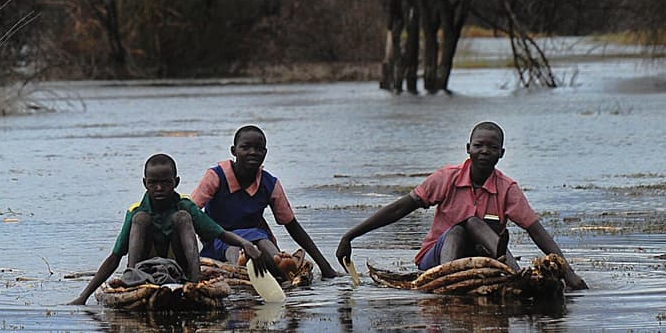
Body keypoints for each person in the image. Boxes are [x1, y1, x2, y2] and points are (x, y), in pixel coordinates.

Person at [335, 122, 587, 290]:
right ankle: (450, 278)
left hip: (482, 258)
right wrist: (351, 235)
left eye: (492, 147)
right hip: (436, 260)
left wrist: (568, 273)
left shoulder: (507, 188)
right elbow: (401, 208)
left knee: (476, 225)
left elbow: (537, 231)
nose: (485, 151)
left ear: (502, 153)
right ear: (468, 149)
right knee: (464, 226)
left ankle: (513, 274)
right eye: (479, 145)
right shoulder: (447, 178)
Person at [70, 153, 269, 305]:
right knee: (140, 219)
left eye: (165, 183)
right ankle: (133, 279)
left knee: (182, 217)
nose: (159, 188)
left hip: (178, 271)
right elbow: (115, 257)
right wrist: (83, 296)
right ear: (144, 184)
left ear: (176, 182)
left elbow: (219, 233)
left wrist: (246, 244)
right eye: (153, 183)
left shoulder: (185, 205)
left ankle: (194, 278)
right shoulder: (135, 211)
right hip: (145, 272)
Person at [191, 125, 338, 279]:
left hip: (257, 238)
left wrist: (325, 267)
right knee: (235, 246)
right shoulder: (216, 176)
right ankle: (239, 269)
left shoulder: (269, 183)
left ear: (265, 153)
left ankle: (282, 264)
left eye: (258, 148)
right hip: (220, 239)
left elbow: (292, 225)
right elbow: (191, 211)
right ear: (234, 151)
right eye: (246, 147)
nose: (252, 152)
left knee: (264, 241)